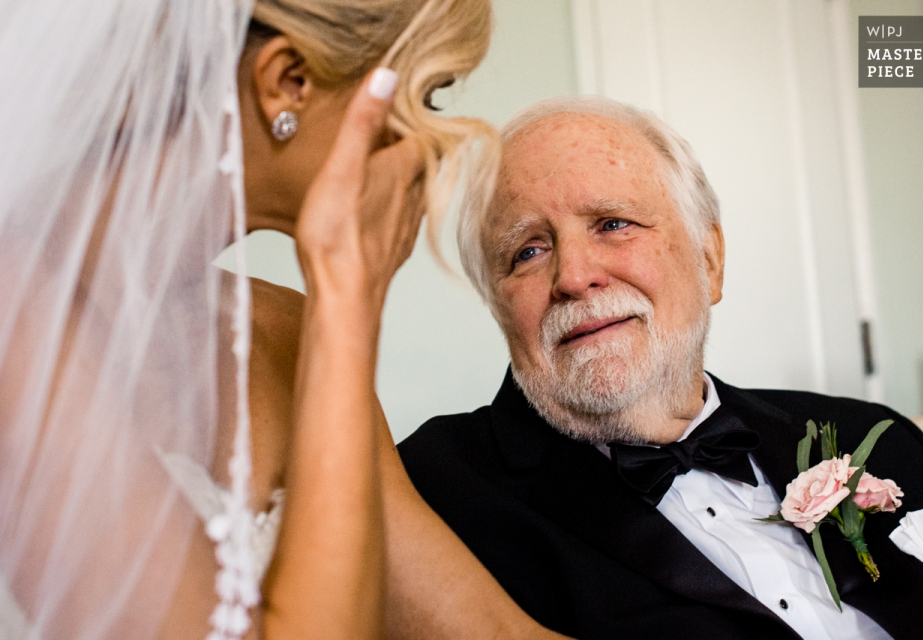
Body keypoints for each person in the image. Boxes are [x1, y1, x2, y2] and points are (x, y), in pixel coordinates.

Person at [0, 1, 568, 638]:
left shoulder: (283, 329)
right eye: (428, 98)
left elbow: (488, 631)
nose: (433, 152)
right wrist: (350, 296)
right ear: (287, 82)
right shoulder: (14, 321)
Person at [398, 97, 923, 640]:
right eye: (528, 251)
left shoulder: (872, 434)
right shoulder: (431, 493)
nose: (572, 276)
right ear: (497, 307)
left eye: (612, 223)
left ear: (709, 260)